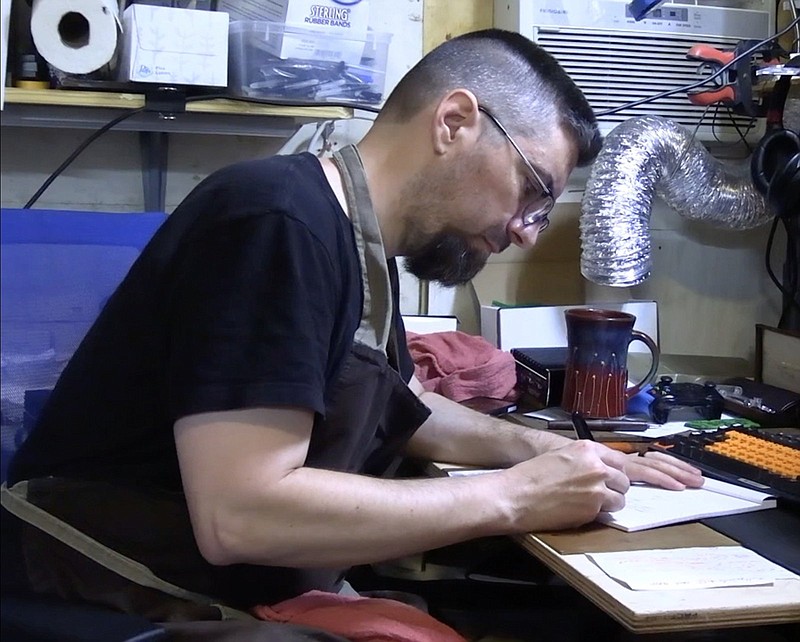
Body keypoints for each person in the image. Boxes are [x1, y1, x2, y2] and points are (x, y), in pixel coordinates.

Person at [2, 28, 703, 639]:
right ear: (454, 121)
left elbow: (405, 404)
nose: (526, 231)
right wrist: (513, 495)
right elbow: (240, 516)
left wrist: (553, 449)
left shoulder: (358, 245)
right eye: (534, 191)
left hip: (222, 580)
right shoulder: (277, 222)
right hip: (100, 579)